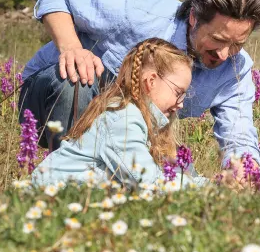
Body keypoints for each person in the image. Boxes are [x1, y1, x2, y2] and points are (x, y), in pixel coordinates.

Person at [17, 0, 260, 176]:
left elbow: (238, 133)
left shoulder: (235, 69)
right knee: (78, 80)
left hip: (131, 127)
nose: (224, 53)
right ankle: (68, 184)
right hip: (51, 98)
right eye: (218, 39)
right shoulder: (135, 11)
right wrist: (71, 47)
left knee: (183, 181)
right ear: (195, 17)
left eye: (237, 44)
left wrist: (244, 169)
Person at [32, 39, 206, 189]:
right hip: (48, 199)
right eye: (178, 93)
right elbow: (147, 181)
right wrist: (209, 189)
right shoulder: (124, 119)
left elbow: (164, 174)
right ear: (151, 81)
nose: (181, 103)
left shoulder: (136, 118)